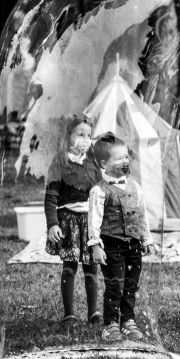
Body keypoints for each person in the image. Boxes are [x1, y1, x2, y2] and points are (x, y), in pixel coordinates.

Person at [87, 133, 155, 342]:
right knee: (115, 284)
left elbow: (141, 215)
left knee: (130, 284)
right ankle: (111, 324)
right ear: (104, 164)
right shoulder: (99, 191)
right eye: (119, 159)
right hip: (111, 245)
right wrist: (96, 245)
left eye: (126, 157)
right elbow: (94, 220)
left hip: (133, 244)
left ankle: (128, 320)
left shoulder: (136, 187)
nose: (125, 161)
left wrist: (146, 239)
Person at [44, 115, 102, 326]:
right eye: (80, 134)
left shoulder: (92, 163)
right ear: (68, 136)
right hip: (68, 221)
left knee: (91, 267)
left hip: (89, 223)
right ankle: (69, 314)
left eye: (88, 135)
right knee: (69, 267)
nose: (86, 139)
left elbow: (99, 194)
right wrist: (53, 224)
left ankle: (94, 313)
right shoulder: (59, 163)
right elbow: (51, 197)